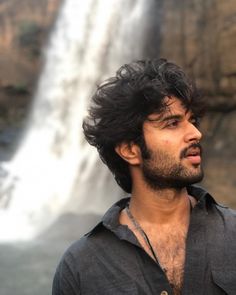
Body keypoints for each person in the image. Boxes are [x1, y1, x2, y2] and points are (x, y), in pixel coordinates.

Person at [52, 59, 236, 295]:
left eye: (193, 121)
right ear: (130, 150)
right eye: (172, 123)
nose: (196, 133)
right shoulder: (80, 267)